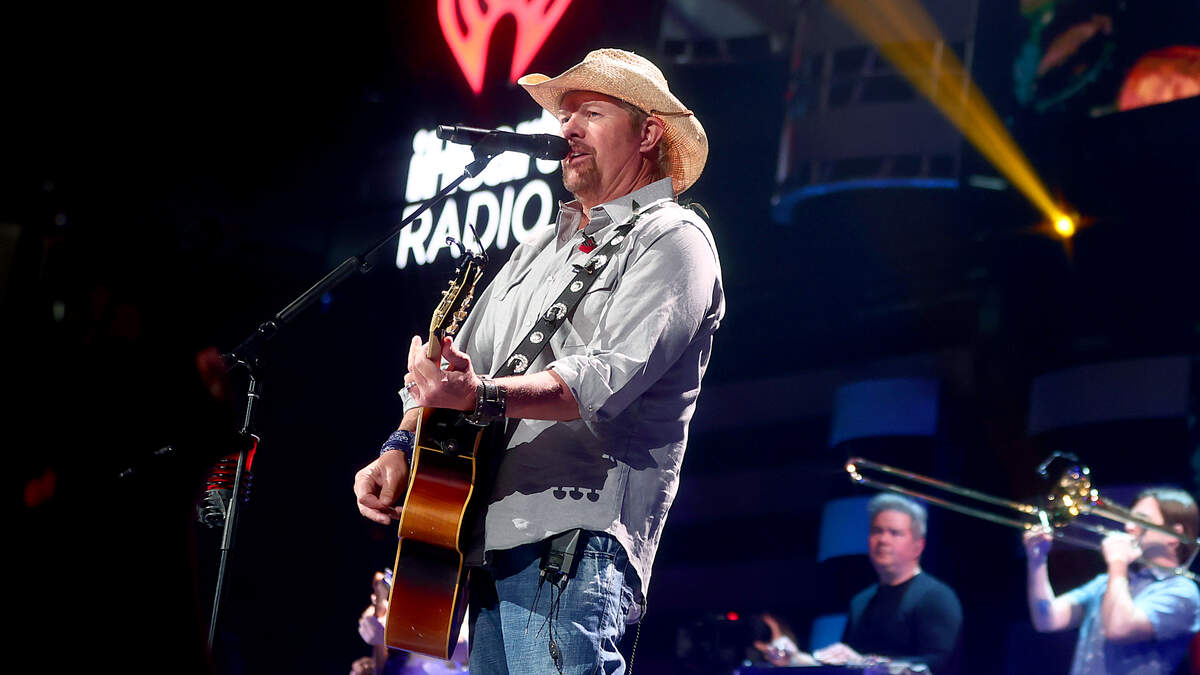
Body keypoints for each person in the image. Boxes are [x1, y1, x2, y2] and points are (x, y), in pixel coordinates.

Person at [353, 48, 722, 675]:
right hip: (483, 542)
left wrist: (481, 394)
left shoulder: (673, 238)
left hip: (574, 538)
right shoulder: (535, 250)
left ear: (648, 134)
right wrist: (400, 444)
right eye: (565, 115)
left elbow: (603, 377)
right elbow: (460, 368)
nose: (567, 128)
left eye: (591, 113)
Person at [757, 494, 962, 673]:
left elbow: (939, 664)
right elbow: (849, 663)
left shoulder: (936, 597)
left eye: (894, 533)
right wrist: (796, 658)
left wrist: (866, 663)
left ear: (918, 546)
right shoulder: (861, 601)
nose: (883, 540)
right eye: (876, 531)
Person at [1023, 487, 1200, 675]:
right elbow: (1047, 619)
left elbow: (1120, 629)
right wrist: (1037, 561)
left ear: (1173, 535)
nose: (1128, 526)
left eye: (1141, 520)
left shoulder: (1182, 591)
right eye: (1129, 519)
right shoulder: (1107, 582)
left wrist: (1118, 563)